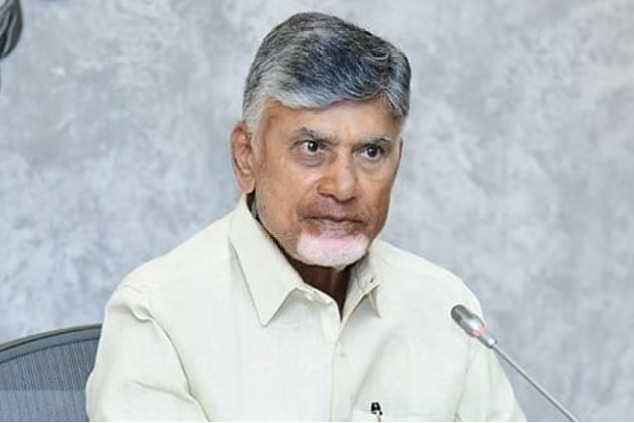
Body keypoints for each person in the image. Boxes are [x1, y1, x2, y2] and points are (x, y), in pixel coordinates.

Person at [86, 12, 525, 421]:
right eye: (312, 148)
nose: (343, 186)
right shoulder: (157, 313)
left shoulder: (445, 307)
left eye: (371, 152)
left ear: (398, 160)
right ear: (246, 156)